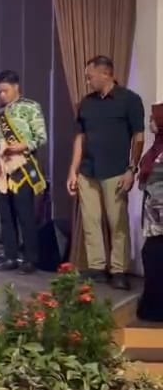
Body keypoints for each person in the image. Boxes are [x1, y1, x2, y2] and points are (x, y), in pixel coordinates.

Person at [67, 55, 144, 290]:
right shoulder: (87, 103)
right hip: (88, 170)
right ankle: (97, 267)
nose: (88, 81)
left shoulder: (129, 100)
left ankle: (119, 269)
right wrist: (73, 170)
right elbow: (80, 137)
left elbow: (139, 136)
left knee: (117, 222)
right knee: (91, 221)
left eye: (90, 77)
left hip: (116, 171)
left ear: (106, 74)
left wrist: (132, 169)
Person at [0, 70, 47, 274]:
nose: (1, 95)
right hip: (2, 168)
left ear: (16, 87)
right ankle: (10, 257)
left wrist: (23, 146)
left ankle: (30, 259)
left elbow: (41, 137)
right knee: (6, 216)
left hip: (22, 167)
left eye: (4, 91)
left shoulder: (31, 107)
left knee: (25, 214)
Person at [137, 105, 163, 321]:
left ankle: (155, 309)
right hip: (154, 215)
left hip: (161, 216)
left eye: (153, 119)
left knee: (153, 256)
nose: (149, 123)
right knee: (151, 256)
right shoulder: (157, 148)